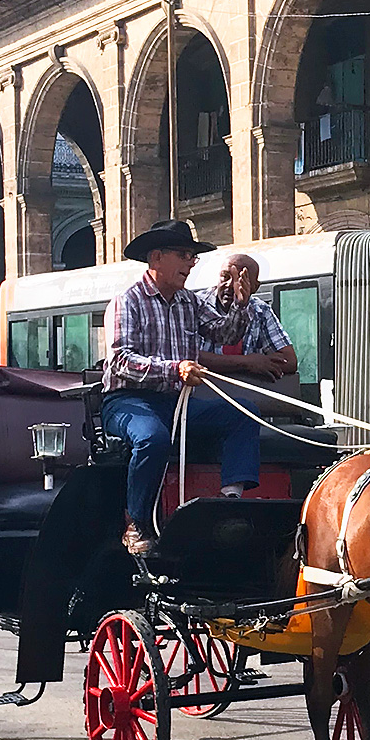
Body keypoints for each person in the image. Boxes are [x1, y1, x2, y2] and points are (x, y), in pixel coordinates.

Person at [101, 219, 261, 556]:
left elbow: (225, 334)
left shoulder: (189, 302)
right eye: (184, 255)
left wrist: (241, 305)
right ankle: (136, 523)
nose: (190, 264)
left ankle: (230, 499)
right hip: (127, 402)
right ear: (156, 258)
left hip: (176, 404)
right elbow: (120, 362)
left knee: (245, 414)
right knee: (152, 437)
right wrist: (175, 369)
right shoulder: (127, 301)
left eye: (192, 257)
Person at [197, 254, 297, 380]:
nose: (230, 285)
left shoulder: (261, 310)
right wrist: (247, 363)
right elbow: (189, 356)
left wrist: (257, 363)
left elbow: (289, 361)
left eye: (240, 280)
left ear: (255, 287)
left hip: (245, 393)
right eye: (225, 277)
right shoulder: (196, 304)